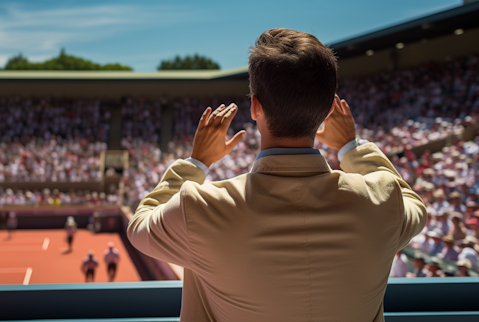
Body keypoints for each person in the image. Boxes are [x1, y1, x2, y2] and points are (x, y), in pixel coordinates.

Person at [127, 28, 426, 322]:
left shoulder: (202, 207)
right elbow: (412, 204)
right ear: (326, 111)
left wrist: (196, 162)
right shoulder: (383, 201)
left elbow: (139, 225)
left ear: (255, 107)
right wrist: (352, 147)